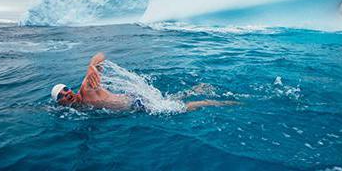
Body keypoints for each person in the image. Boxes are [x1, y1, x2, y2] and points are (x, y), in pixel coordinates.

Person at [51, 52, 239, 112]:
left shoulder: (86, 89)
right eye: (61, 96)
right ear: (60, 103)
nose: (66, 93)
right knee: (170, 100)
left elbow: (101, 55)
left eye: (66, 89)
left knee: (179, 109)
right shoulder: (79, 108)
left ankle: (214, 102)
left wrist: (91, 65)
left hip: (137, 104)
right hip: (134, 100)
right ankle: (196, 89)